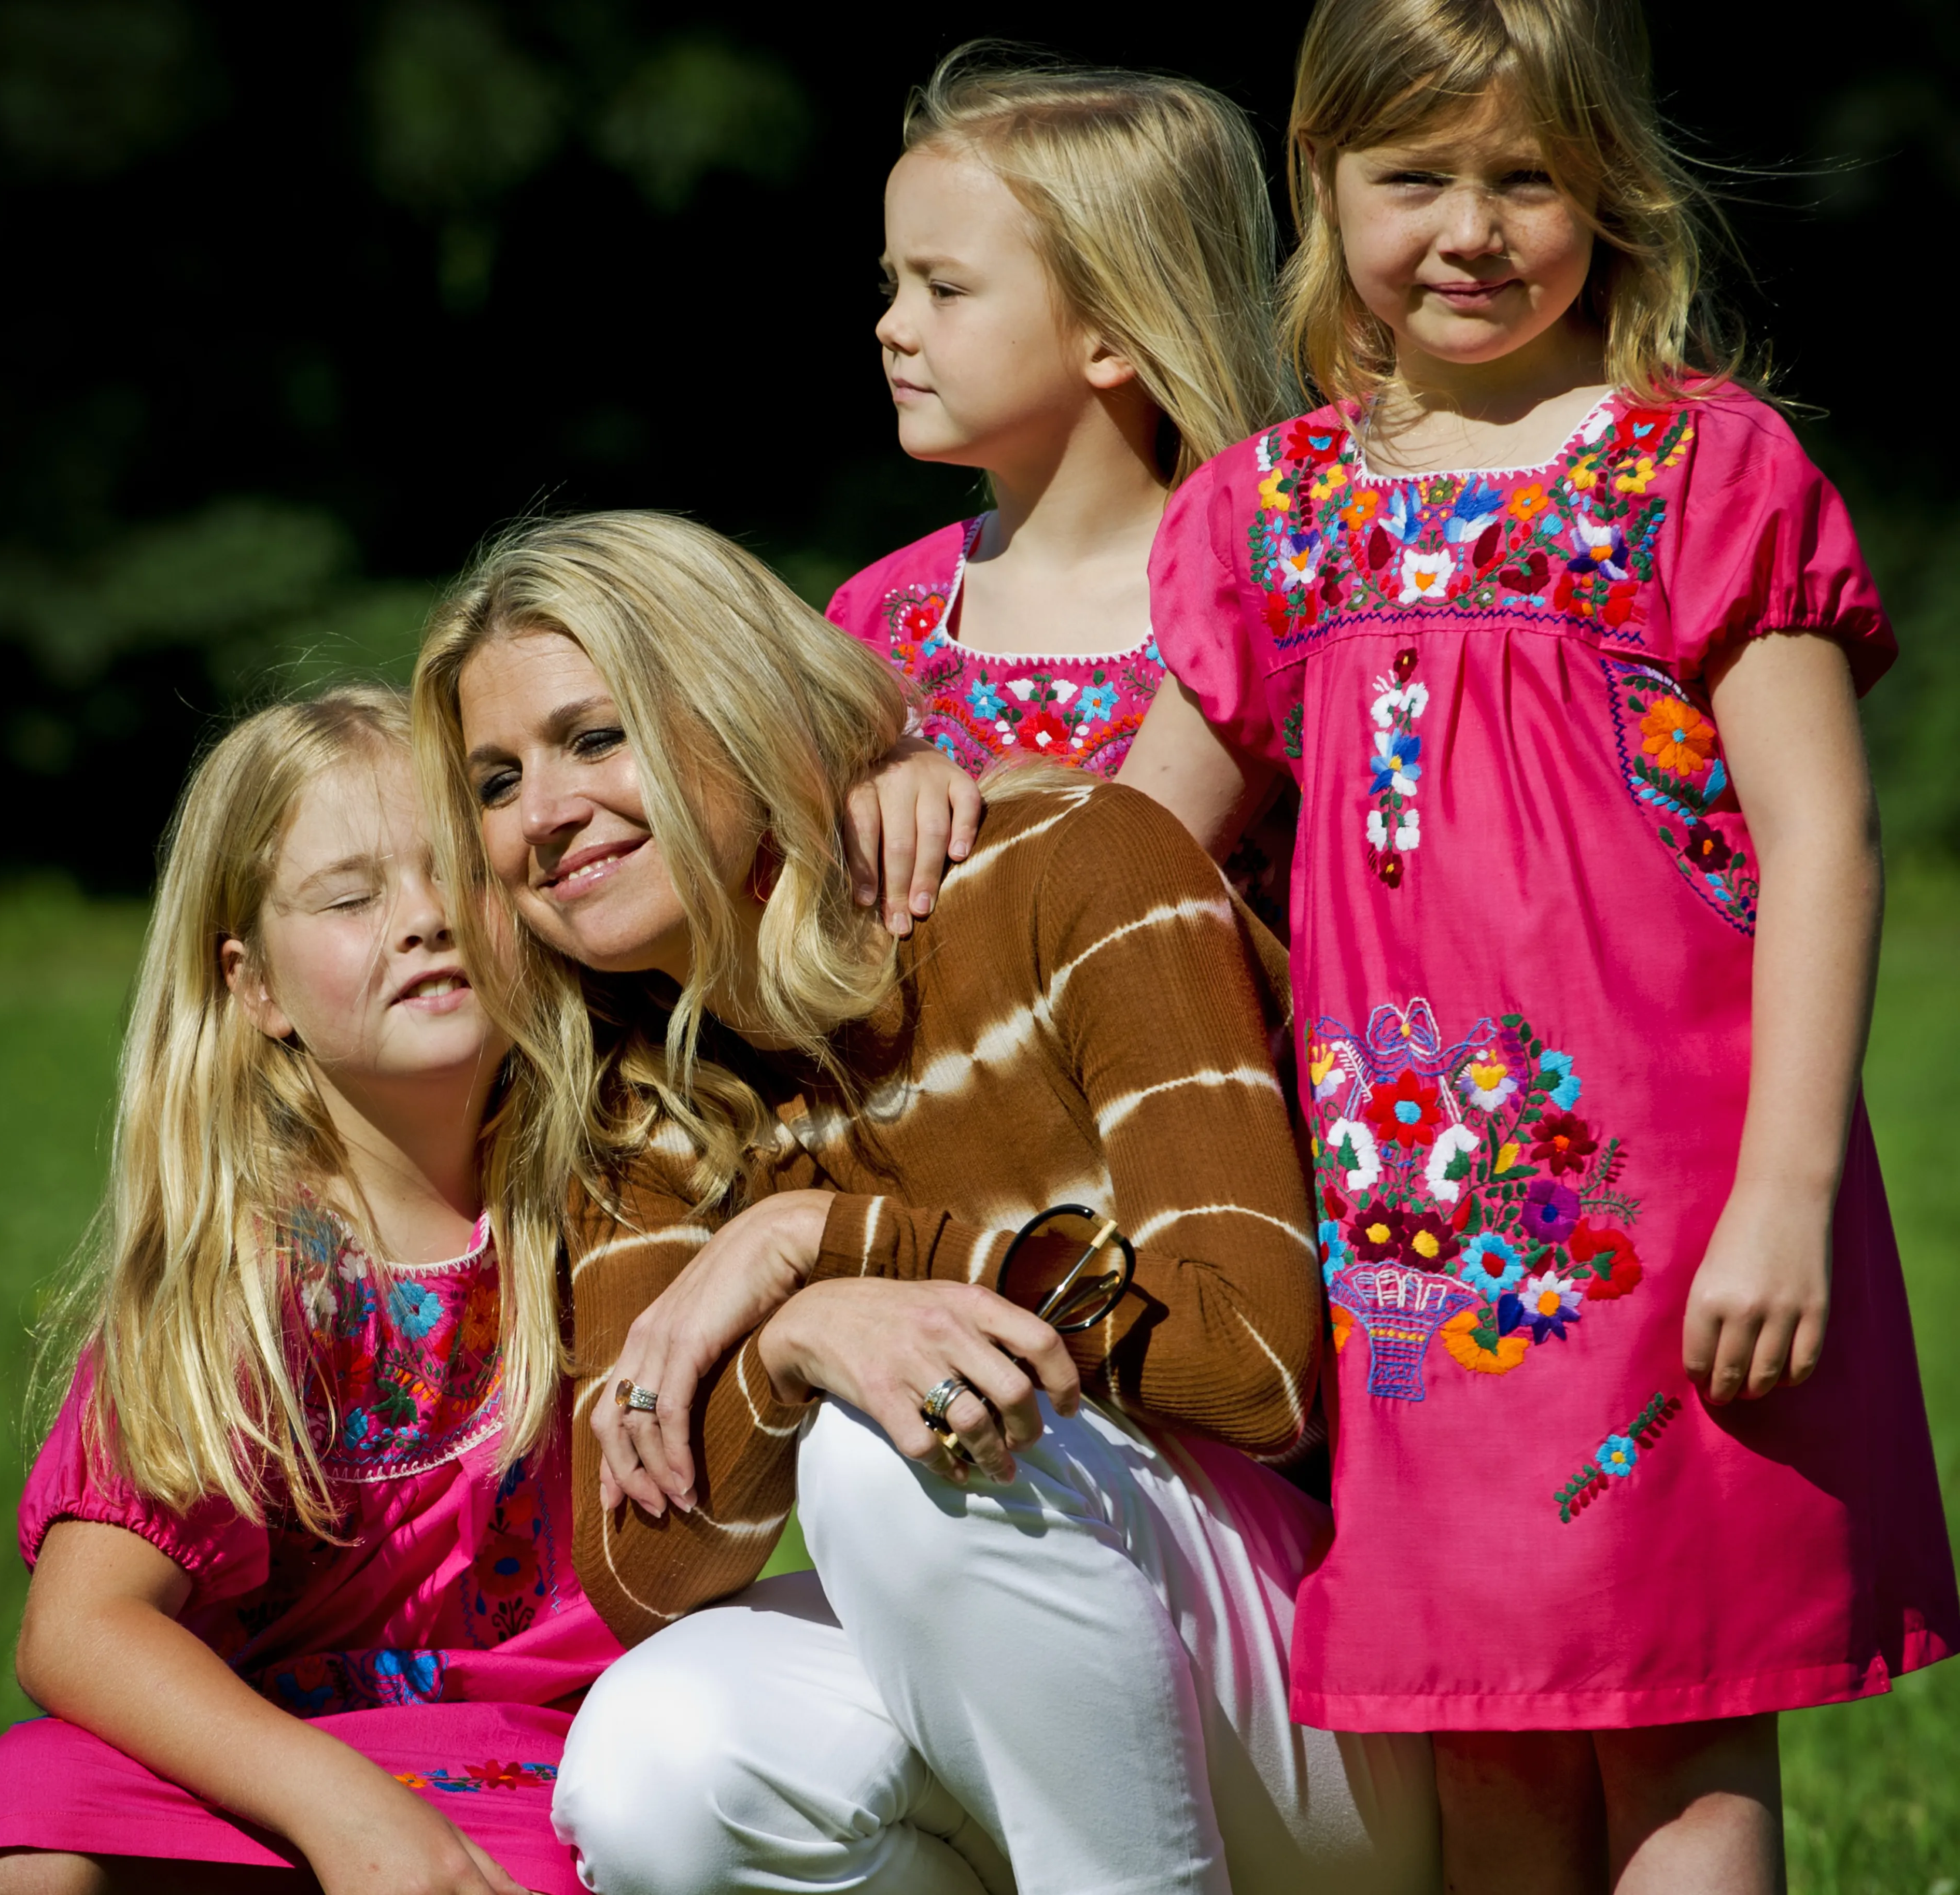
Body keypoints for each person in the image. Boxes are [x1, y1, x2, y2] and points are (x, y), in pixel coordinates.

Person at [1116, 0, 1960, 1888]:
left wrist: (1787, 1192)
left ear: (1616, 194)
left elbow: (1827, 836)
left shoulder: (1701, 469)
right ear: (1320, 184)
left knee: (1673, 1723)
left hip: (1679, 1225)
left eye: (1529, 177)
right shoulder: (1273, 513)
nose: (1471, 228)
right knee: (1480, 1740)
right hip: (1399, 1244)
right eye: (1413, 177)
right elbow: (1128, 861)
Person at [412, 511, 1440, 1895]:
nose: (542, 815)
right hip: (1056, 1688)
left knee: (894, 1436)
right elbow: (637, 1571)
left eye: (595, 740)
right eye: (493, 782)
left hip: (1340, 1692)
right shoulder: (637, 1088)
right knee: (659, 1768)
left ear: (729, 706)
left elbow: (1258, 1367)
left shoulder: (1072, 861)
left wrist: (820, 1245)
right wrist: (790, 1338)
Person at [0, 689, 622, 1895]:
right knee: (31, 1801)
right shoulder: (251, 1266)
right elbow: (77, 1627)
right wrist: (348, 1810)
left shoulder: (619, 1198)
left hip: (539, 1760)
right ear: (253, 985)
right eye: (352, 895)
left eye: (454, 872)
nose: (424, 919)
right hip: (280, 1766)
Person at [828, 46, 1300, 937]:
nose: (891, 326)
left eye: (946, 288)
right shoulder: (873, 619)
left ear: (1113, 334)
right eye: (895, 284)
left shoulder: (1257, 593)